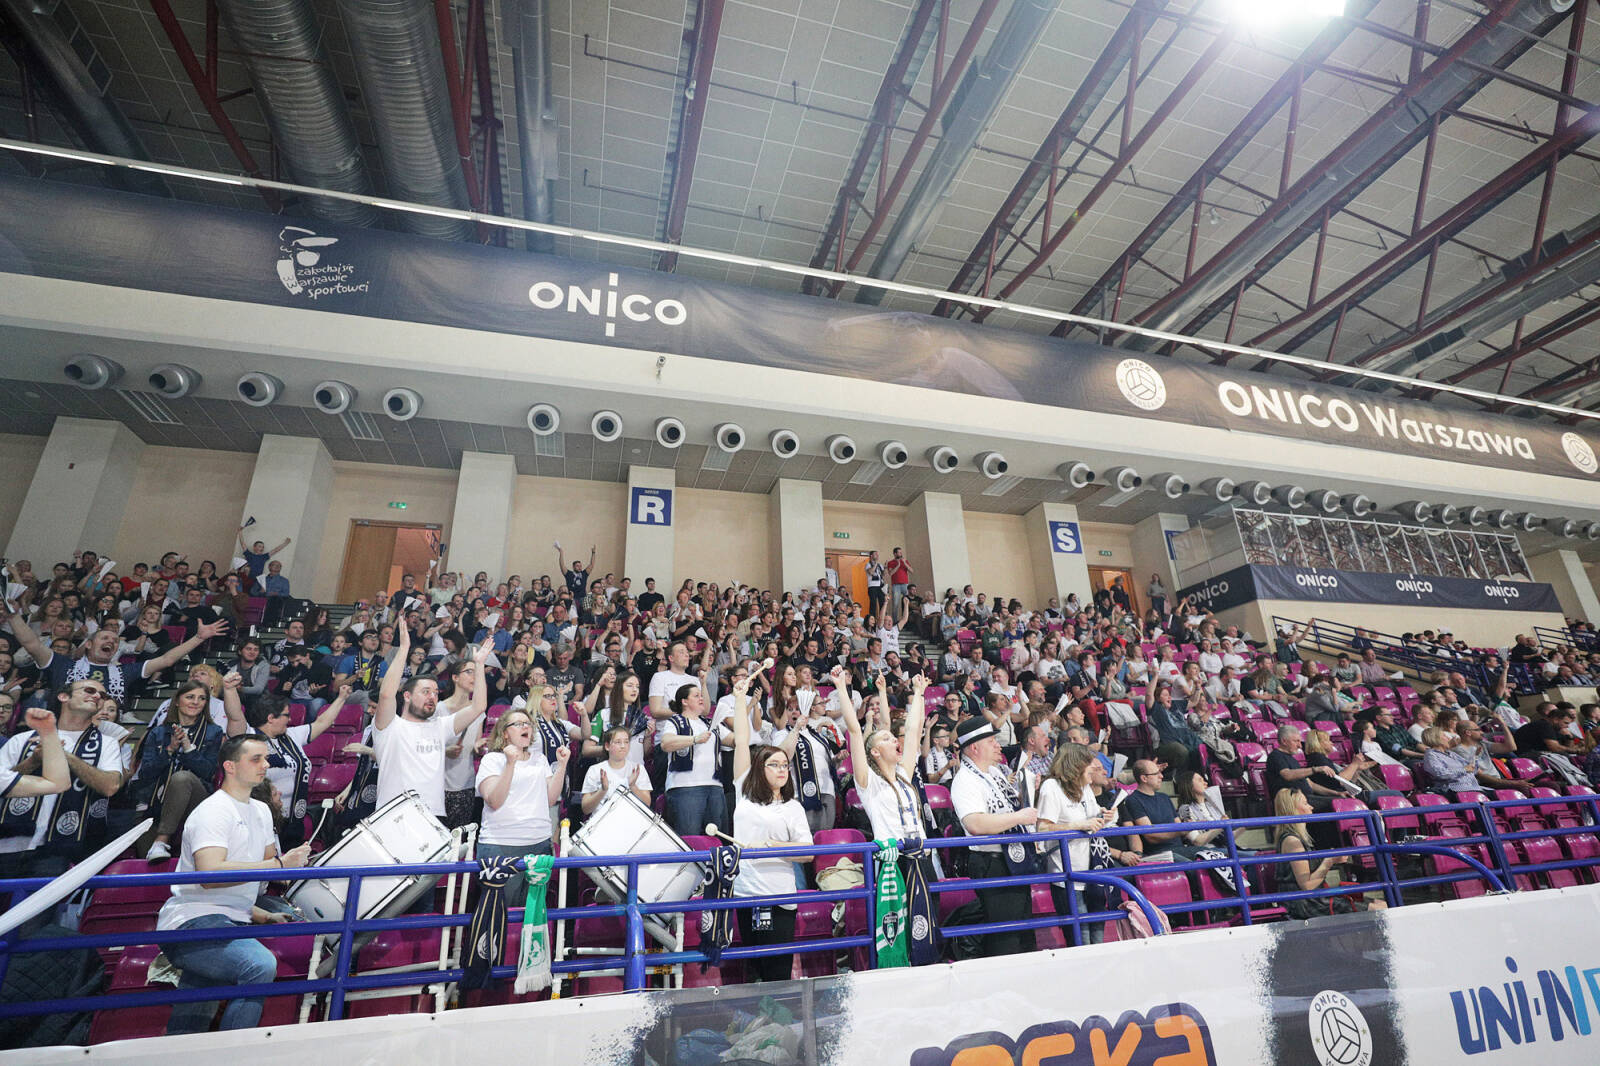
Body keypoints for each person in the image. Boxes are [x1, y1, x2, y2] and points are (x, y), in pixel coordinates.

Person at [155, 734, 312, 1034]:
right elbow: (210, 875)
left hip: (227, 919)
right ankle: (235, 1052)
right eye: (256, 759)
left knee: (193, 1016)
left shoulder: (261, 810)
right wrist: (281, 864)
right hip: (193, 922)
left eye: (266, 759)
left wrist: (262, 913)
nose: (265, 765)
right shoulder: (213, 810)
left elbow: (264, 870)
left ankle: (180, 1051)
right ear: (230, 766)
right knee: (259, 965)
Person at [727, 673, 812, 982]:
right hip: (746, 896)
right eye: (774, 764)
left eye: (784, 765)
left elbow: (808, 853)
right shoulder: (743, 792)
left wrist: (775, 848)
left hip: (779, 898)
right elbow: (741, 739)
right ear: (758, 769)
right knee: (752, 973)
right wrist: (740, 700)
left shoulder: (793, 807)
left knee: (777, 973)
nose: (781, 770)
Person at [0, 679, 126, 879]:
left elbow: (110, 786)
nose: (97, 696)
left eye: (102, 695)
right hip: (8, 841)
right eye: (89, 690)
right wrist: (33, 761)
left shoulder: (107, 743)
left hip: (61, 847)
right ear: (63, 696)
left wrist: (64, 755)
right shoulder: (21, 739)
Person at [372, 624, 491, 819]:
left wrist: (479, 665)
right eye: (426, 692)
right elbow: (386, 695)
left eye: (435, 693)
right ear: (407, 696)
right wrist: (404, 649)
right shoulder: (390, 726)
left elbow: (478, 707)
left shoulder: (440, 726)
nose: (432, 697)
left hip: (434, 815)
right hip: (394, 815)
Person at [950, 714, 1038, 957]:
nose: (998, 745)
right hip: (992, 862)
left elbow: (1012, 805)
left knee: (1023, 931)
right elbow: (975, 823)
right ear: (974, 748)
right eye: (991, 741)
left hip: (1013, 860)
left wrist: (1028, 789)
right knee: (1005, 936)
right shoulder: (965, 780)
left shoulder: (995, 773)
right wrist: (1019, 817)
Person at [224, 684, 352, 846]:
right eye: (286, 715)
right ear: (271, 718)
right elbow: (235, 717)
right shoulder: (249, 737)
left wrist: (341, 698)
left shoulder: (292, 735)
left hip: (293, 820)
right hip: (260, 819)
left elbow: (322, 722)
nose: (290, 720)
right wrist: (229, 689)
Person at [1036, 744, 1132, 941]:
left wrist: (1104, 816)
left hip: (1094, 869)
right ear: (1076, 766)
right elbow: (1043, 828)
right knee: (1081, 937)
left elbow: (1092, 820)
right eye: (1091, 765)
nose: (1095, 769)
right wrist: (1077, 825)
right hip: (1068, 872)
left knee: (1097, 934)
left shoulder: (1085, 787)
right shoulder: (1051, 787)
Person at [475, 708, 566, 902]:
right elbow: (494, 800)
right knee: (501, 910)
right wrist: (510, 764)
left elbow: (550, 799)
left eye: (528, 723)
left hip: (539, 844)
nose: (525, 727)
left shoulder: (540, 759)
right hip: (501, 845)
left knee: (533, 911)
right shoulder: (492, 759)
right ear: (505, 733)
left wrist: (562, 765)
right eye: (518, 724)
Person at [131, 679, 225, 862]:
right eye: (190, 697)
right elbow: (146, 773)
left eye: (202, 698)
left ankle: (162, 840)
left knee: (182, 778)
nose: (196, 702)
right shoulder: (158, 732)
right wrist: (170, 749)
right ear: (176, 701)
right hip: (155, 802)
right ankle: (157, 842)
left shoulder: (214, 731)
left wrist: (188, 748)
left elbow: (208, 772)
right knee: (148, 862)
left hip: (197, 801)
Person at [1271, 788, 1386, 920]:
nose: (1311, 807)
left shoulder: (1298, 838)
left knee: (1381, 904)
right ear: (1293, 809)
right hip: (1304, 903)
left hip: (1314, 898)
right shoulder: (1292, 841)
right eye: (1305, 803)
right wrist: (1329, 861)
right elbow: (1307, 886)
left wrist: (1332, 859)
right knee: (1378, 909)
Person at [659, 681, 729, 837]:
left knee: (718, 839)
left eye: (701, 695)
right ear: (684, 701)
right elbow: (666, 743)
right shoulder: (674, 721)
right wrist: (695, 739)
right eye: (696, 696)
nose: (701, 698)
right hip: (686, 787)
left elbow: (735, 741)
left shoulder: (711, 723)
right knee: (690, 838)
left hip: (715, 786)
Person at [580, 725, 651, 816]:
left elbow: (647, 804)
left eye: (626, 742)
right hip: (602, 821)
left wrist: (633, 786)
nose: (623, 746)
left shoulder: (638, 769)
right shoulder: (595, 770)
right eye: (618, 742)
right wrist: (603, 790)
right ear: (607, 746)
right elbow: (586, 809)